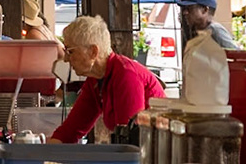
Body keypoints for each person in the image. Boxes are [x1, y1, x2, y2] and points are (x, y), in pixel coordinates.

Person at [51, 15, 165, 144]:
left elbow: (128, 138)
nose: (66, 59)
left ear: (93, 52)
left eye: (70, 52)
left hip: (151, 152)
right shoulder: (95, 80)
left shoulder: (126, 75)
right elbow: (70, 130)